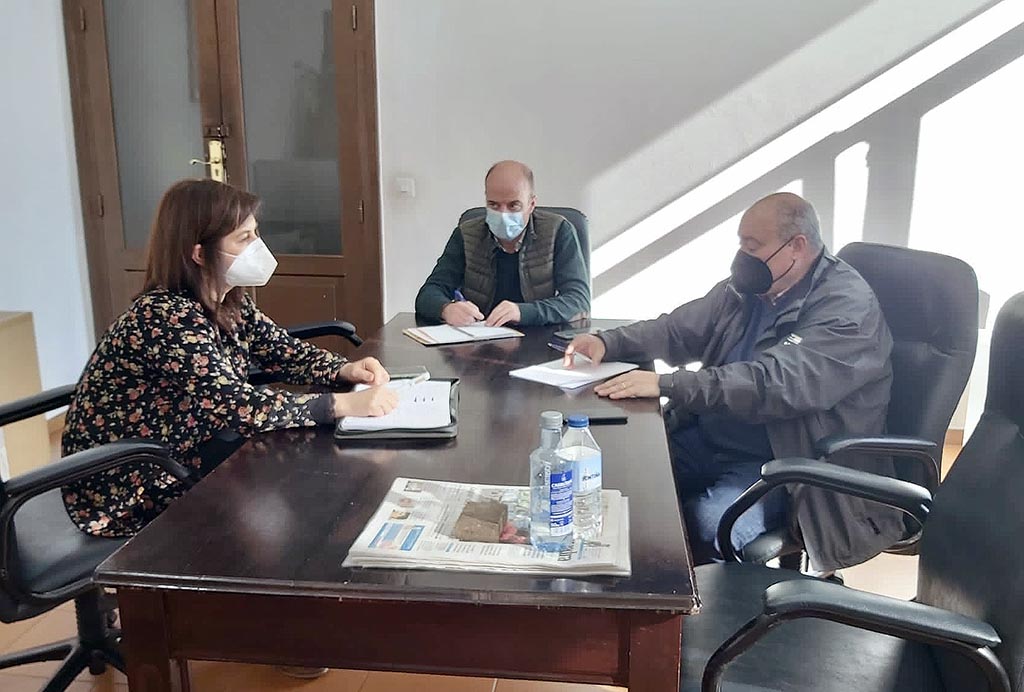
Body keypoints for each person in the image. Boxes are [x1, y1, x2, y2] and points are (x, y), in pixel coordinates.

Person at [563, 192, 905, 572]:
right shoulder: (752, 287)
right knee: (620, 473)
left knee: (709, 526)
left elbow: (774, 383)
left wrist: (668, 384)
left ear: (797, 246)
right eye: (741, 243)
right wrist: (608, 342)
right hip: (711, 435)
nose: (742, 256)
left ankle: (703, 605)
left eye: (752, 246)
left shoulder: (846, 308)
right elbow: (678, 329)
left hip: (788, 463)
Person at [61, 179, 399, 539]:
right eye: (243, 238)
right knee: (297, 503)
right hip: (131, 483)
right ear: (199, 253)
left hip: (189, 450)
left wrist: (344, 369)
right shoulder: (165, 317)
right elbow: (238, 407)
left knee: (305, 481)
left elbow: (282, 351)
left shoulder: (227, 299)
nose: (258, 246)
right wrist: (342, 404)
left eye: (256, 233)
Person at [415, 160, 590, 327]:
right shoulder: (466, 234)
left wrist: (523, 312)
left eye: (513, 206)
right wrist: (446, 309)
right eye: (494, 205)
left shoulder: (558, 231)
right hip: (480, 337)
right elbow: (429, 293)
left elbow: (578, 300)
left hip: (540, 336)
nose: (503, 214)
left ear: (531, 204)